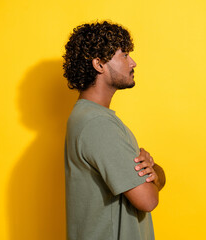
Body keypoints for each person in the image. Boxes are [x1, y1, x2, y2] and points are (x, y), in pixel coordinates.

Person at [63, 21, 166, 240]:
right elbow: (148, 200)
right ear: (99, 64)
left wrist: (153, 172)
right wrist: (156, 174)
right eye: (125, 55)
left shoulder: (86, 117)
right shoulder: (98, 124)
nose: (133, 62)